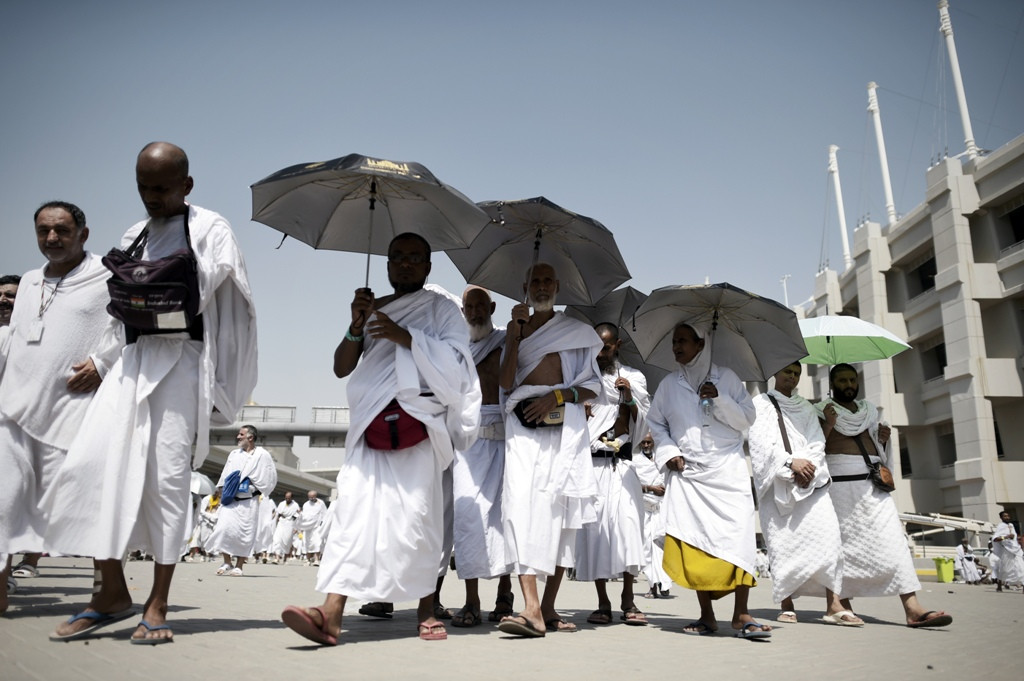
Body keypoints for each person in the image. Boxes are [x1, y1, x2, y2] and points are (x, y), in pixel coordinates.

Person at [45, 142, 258, 644]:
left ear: (185, 186)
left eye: (161, 188)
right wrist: (102, 359)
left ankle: (157, 604)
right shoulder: (134, 234)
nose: (151, 197)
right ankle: (110, 593)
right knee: (92, 472)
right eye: (143, 187)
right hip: (133, 364)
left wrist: (219, 383)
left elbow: (218, 303)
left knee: (164, 484)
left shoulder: (211, 229)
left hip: (181, 366)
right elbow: (121, 314)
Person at [281, 233, 480, 645]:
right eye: (396, 258)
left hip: (418, 427)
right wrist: (358, 325)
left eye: (414, 258)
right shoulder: (371, 309)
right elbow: (342, 367)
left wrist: (406, 337)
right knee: (352, 515)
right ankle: (332, 612)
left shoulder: (441, 309)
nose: (404, 264)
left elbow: (458, 369)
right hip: (370, 425)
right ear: (387, 265)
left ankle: (426, 610)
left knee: (419, 520)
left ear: (427, 266)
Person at [0, 203, 114, 615]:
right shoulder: (29, 281)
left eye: (62, 230)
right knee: (3, 501)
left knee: (83, 502)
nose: (52, 238)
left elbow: (130, 327)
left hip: (72, 412)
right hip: (13, 409)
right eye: (43, 231)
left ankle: (109, 592)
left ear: (83, 234)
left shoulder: (109, 274)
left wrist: (104, 363)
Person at [496, 262, 602, 638]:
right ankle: (530, 607)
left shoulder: (577, 332)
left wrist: (558, 395)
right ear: (525, 286)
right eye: (534, 281)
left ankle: (549, 607)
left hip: (563, 432)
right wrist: (513, 336)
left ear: (557, 287)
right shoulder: (515, 331)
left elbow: (593, 387)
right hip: (522, 430)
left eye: (547, 281)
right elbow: (506, 383)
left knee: (561, 514)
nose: (541, 286)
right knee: (520, 508)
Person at [647, 322, 771, 639]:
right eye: (674, 341)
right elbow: (656, 424)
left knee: (739, 540)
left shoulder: (727, 378)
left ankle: (741, 614)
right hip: (688, 475)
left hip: (727, 471)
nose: (676, 347)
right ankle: (706, 616)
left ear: (701, 344)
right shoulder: (668, 385)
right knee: (695, 541)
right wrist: (669, 452)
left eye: (683, 341)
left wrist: (719, 400)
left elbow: (747, 419)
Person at [818, 363, 951, 628]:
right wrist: (830, 425)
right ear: (832, 384)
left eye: (852, 379)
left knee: (894, 542)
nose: (848, 385)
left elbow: (877, 451)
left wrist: (883, 440)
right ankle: (842, 605)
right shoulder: (821, 411)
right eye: (842, 380)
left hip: (872, 486)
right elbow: (813, 446)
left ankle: (912, 608)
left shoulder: (868, 410)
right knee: (841, 550)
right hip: (839, 489)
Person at [748, 362, 855, 625]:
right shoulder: (759, 404)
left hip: (811, 483)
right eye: (787, 371)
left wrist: (806, 465)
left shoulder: (806, 407)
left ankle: (834, 604)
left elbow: (816, 441)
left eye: (797, 373)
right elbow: (760, 445)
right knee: (783, 545)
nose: (792, 377)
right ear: (775, 373)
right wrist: (789, 464)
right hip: (778, 486)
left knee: (830, 540)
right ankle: (786, 602)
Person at [577, 323, 650, 627]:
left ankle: (628, 598)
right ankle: (603, 602)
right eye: (596, 346)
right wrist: (579, 409)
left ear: (617, 344)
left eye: (606, 347)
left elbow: (646, 423)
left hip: (622, 465)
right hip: (591, 466)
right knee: (595, 533)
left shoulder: (633, 377)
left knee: (628, 528)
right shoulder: (582, 377)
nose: (601, 352)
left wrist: (630, 397)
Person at [449, 286, 514, 629]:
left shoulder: (507, 340)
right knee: (468, 518)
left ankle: (505, 594)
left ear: (492, 306)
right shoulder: (457, 348)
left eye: (480, 306)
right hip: (468, 445)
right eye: (468, 307)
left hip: (506, 441)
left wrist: (519, 332)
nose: (475, 312)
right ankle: (471, 599)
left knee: (507, 519)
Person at [206, 425, 278, 576]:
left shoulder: (262, 455)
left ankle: (239, 565)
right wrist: (221, 489)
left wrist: (253, 484)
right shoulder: (233, 454)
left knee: (245, 533)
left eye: (241, 434)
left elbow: (269, 477)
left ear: (250, 437)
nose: (238, 437)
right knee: (223, 529)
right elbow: (226, 472)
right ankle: (226, 562)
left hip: (249, 501)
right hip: (231, 499)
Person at [633, 433, 669, 598]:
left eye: (649, 442)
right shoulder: (635, 462)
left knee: (661, 547)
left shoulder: (661, 459)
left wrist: (663, 488)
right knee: (647, 549)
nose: (646, 445)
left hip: (661, 509)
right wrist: (650, 488)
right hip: (644, 509)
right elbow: (632, 485)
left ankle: (664, 583)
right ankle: (652, 585)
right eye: (643, 443)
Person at [992, 511, 1024, 591]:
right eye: (1005, 516)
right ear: (1001, 518)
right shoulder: (1000, 526)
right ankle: (999, 585)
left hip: (1015, 549)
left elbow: (1014, 538)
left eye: (1008, 516)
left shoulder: (1011, 525)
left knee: (1021, 567)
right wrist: (1006, 537)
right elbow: (995, 539)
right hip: (1006, 550)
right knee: (1005, 569)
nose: (1007, 517)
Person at [186, 489, 220, 562]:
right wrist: (208, 517)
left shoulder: (219, 500)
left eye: (217, 493)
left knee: (212, 539)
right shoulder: (206, 499)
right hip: (204, 521)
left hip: (214, 521)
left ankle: (211, 556)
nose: (215, 494)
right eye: (214, 492)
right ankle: (199, 555)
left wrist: (213, 518)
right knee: (200, 539)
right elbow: (201, 511)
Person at [297, 491, 327, 566]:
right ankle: (307, 559)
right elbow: (304, 516)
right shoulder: (306, 504)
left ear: (316, 496)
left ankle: (316, 560)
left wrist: (322, 523)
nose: (311, 498)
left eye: (313, 497)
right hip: (308, 527)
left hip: (317, 527)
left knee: (317, 542)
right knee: (307, 543)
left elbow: (325, 514)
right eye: (310, 497)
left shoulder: (321, 503)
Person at [272, 491, 300, 564]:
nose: (287, 499)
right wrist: (277, 520)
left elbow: (298, 515)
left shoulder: (295, 505)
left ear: (292, 498)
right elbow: (278, 513)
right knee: (277, 540)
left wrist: (292, 522)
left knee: (287, 542)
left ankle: (285, 558)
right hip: (281, 523)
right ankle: (277, 558)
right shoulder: (282, 503)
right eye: (286, 498)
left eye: (289, 498)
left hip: (290, 524)